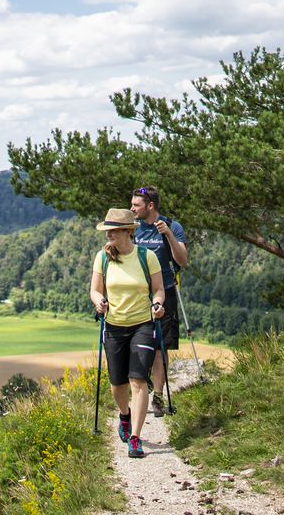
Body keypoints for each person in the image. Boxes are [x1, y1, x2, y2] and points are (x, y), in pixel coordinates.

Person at [90, 207, 165, 459]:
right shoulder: (102, 258)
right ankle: (125, 414)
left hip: (142, 324)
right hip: (113, 325)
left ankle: (135, 437)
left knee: (138, 381)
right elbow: (95, 290)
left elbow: (158, 289)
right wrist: (99, 301)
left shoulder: (147, 257)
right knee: (117, 384)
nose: (109, 234)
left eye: (113, 230)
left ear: (127, 232)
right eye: (107, 230)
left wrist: (158, 304)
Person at [130, 184, 188, 416]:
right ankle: (141, 388)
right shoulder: (133, 229)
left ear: (150, 206)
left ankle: (158, 397)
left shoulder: (172, 226)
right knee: (136, 344)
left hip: (165, 292)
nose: (132, 209)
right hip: (137, 295)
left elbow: (182, 261)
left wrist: (169, 236)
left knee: (159, 348)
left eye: (136, 205)